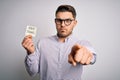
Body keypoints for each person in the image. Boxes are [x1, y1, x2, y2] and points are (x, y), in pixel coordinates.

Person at [22, 5, 96, 80]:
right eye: (59, 21)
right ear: (55, 21)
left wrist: (85, 54)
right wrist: (30, 52)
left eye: (68, 21)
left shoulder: (81, 44)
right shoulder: (42, 43)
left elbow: (92, 57)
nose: (62, 25)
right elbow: (32, 72)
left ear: (75, 23)